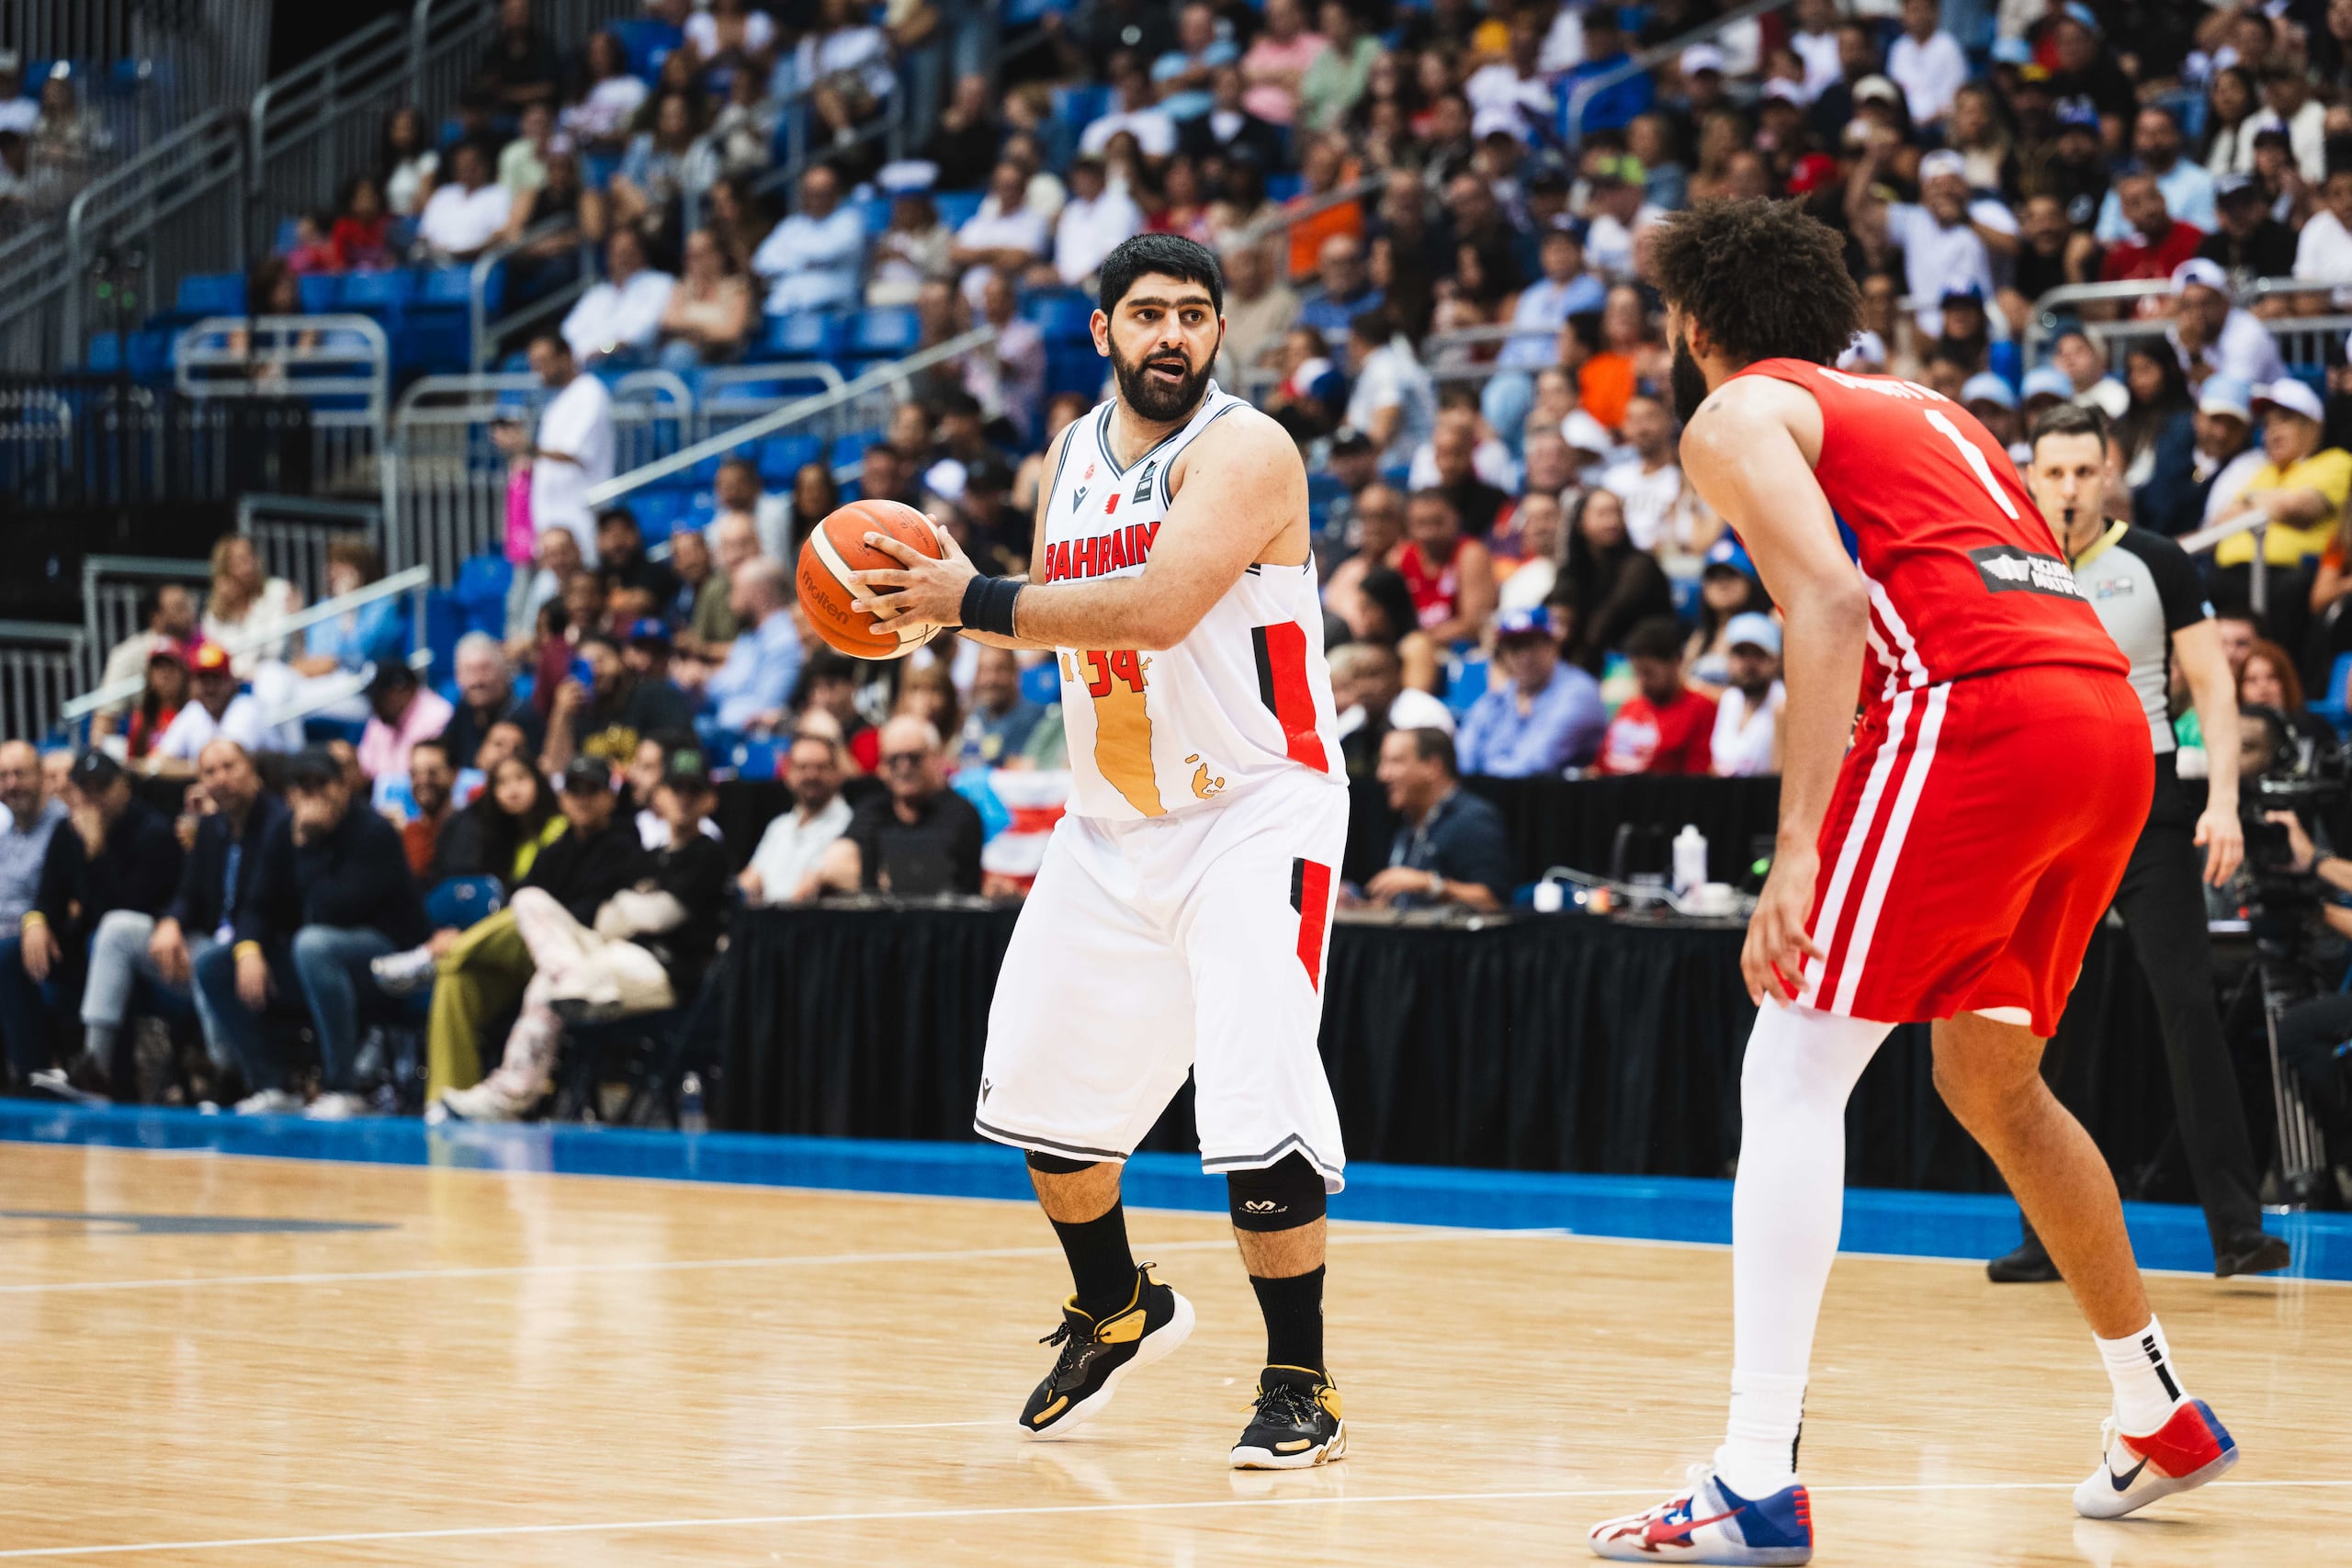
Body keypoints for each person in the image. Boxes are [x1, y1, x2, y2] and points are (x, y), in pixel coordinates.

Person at [1589, 201, 2240, 1565]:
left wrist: (1804, 844)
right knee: (1988, 1080)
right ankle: (2156, 1404)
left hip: (1979, 715)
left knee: (1791, 1066)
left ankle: (1753, 1477)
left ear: (1694, 327)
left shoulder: (1738, 409)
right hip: (2106, 727)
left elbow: (1825, 606)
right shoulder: (1924, 403)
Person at [850, 234, 1353, 1467]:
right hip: (1112, 818)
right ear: (1102, 332)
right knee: (1044, 1104)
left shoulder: (1248, 449)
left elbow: (1155, 604)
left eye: (1194, 314)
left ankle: (1303, 1380)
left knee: (1253, 1104)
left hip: (1254, 807)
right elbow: (1054, 627)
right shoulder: (1067, 454)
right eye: (1147, 313)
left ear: (1221, 333)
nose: (1172, 334)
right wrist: (922, 618)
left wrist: (962, 597)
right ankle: (1118, 1302)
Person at [1984, 403, 2285, 1283]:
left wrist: (2221, 799)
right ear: (2030, 474)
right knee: (2035, 1023)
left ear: (2109, 469)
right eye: (2054, 472)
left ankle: (2238, 1231)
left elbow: (2212, 689)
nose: (2070, 487)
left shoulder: (2155, 560)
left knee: (2186, 1003)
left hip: (2147, 802)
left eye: (2085, 471)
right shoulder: (2005, 567)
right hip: (2044, 811)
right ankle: (2048, 1236)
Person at [435, 750, 728, 1122]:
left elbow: (657, 916)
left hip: (666, 972)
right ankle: (512, 1091)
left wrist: (628, 910)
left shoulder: (708, 854)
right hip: (614, 957)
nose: (684, 799)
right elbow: (607, 921)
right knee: (530, 904)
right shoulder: (652, 855)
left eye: (695, 790)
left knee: (550, 981)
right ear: (660, 795)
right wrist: (628, 912)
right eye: (677, 788)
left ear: (711, 799)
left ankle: (512, 1094)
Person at [198, 747, 429, 1120]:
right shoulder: (280, 831)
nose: (313, 796)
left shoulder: (374, 831)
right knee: (214, 964)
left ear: (343, 787)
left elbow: (333, 909)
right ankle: (274, 1084)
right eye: (302, 788)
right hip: (318, 960)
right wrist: (249, 951)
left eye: (321, 785)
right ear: (289, 795)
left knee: (314, 945)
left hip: (388, 958)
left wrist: (307, 845)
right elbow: (257, 904)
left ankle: (342, 1087)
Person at [81, 740, 285, 1096]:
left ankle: (228, 1079)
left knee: (210, 961)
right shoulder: (210, 827)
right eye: (210, 771)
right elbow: (187, 895)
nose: (221, 779)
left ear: (252, 770)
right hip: (209, 942)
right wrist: (170, 922)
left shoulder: (278, 823)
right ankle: (95, 1067)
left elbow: (272, 903)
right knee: (116, 929)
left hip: (260, 949)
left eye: (229, 767)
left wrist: (246, 945)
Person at [1, 751, 181, 1087]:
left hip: (145, 955)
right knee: (10, 955)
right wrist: (36, 921)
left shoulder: (152, 831)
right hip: (85, 949)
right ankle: (32, 1076)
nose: (92, 796)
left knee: (103, 941)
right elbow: (48, 896)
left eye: (102, 787)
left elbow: (121, 909)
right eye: (85, 788)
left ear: (123, 787)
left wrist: (96, 852)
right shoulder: (66, 831)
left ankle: (108, 1076)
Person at [817, 716, 983, 896]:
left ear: (935, 758)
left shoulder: (961, 814)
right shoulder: (873, 809)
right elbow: (835, 864)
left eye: (914, 758)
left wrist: (882, 881)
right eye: (894, 760)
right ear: (881, 766)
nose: (904, 767)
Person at [494, 333, 614, 568]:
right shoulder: (558, 402)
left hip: (578, 521)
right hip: (549, 525)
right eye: (533, 364)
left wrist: (525, 446)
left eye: (543, 361)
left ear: (566, 356)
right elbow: (549, 456)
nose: (538, 370)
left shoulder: (589, 393)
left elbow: (575, 452)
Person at [1364, 726, 1510, 909]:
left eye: (1395, 762)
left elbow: (1493, 902)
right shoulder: (1409, 824)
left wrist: (1431, 885)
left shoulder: (1473, 820)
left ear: (1433, 767)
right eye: (1382, 763)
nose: (1382, 775)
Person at [1454, 607, 1605, 776]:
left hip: (1556, 797)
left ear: (1553, 646)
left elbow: (1534, 763)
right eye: (1514, 648)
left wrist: (1481, 771)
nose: (1524, 657)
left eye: (1532, 645)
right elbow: (1463, 755)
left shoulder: (1578, 693)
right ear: (1503, 654)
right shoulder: (1503, 694)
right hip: (1500, 794)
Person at [1556, 488, 1674, 675]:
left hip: (1638, 661)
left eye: (1617, 513)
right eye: (1602, 514)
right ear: (1580, 522)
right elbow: (1557, 607)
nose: (1612, 522)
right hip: (1592, 659)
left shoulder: (1641, 565)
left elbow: (1606, 620)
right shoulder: (1573, 569)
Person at [1594, 615, 1717, 777]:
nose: (1642, 681)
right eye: (1637, 673)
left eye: (1648, 672)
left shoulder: (1701, 708)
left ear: (1676, 662)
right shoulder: (1631, 706)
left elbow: (1697, 779)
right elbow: (1600, 765)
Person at [740, 732, 854, 906]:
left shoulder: (849, 826)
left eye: (820, 767)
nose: (811, 775)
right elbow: (750, 880)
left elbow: (806, 893)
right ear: (788, 773)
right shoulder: (779, 827)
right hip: (767, 923)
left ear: (837, 772)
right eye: (802, 767)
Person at [701, 558, 801, 734]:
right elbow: (726, 682)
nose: (730, 601)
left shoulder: (783, 640)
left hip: (748, 739)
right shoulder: (748, 636)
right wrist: (701, 682)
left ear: (760, 594)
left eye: (736, 591)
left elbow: (767, 708)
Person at [148, 643, 277, 777]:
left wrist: (170, 768)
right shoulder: (195, 710)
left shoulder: (246, 707)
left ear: (230, 681)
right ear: (192, 684)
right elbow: (158, 760)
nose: (209, 688)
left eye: (216, 679)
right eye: (203, 680)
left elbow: (223, 768)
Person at [1328, 641, 1452, 780]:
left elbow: (1439, 772)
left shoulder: (1420, 710)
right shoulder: (1353, 719)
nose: (1365, 687)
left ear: (1396, 675)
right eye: (1358, 677)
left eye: (1374, 675)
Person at [752, 164, 866, 314]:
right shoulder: (791, 225)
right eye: (810, 193)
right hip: (786, 311)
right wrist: (807, 261)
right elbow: (762, 261)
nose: (815, 199)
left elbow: (826, 251)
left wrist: (789, 254)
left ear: (835, 193)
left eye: (821, 193)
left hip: (833, 313)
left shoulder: (849, 221)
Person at [560, 229, 675, 368]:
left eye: (627, 252)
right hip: (584, 365)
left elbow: (642, 334)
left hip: (632, 364)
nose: (622, 259)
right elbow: (567, 333)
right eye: (616, 253)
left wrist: (604, 349)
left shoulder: (659, 284)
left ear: (641, 253)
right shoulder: (597, 294)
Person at [442, 632, 542, 772]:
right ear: (457, 678)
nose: (477, 681)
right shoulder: (462, 711)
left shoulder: (526, 715)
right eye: (469, 671)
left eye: (485, 670)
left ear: (504, 673)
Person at [0, 741, 66, 938]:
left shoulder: (64, 827)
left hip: (33, 935)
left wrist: (36, 920)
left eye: (19, 774)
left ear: (41, 776)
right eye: (3, 777)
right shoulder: (6, 834)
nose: (12, 785)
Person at [1710, 613, 1785, 779]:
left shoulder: (1784, 705)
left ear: (1776, 660)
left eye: (1758, 654)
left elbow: (1780, 780)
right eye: (1741, 653)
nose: (1748, 664)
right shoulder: (1729, 699)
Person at [356, 661, 455, 784]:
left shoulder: (437, 715)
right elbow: (364, 769)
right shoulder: (379, 720)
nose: (375, 705)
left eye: (381, 698)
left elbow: (422, 776)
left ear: (402, 690)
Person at [416, 140, 512, 262]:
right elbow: (424, 235)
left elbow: (501, 236)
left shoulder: (499, 194)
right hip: (435, 265)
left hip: (476, 264)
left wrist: (461, 255)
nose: (467, 170)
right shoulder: (443, 194)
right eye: (461, 166)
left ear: (485, 166)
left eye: (471, 165)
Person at [958, 646, 1046, 769]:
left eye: (1000, 669)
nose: (990, 679)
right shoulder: (975, 717)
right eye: (984, 670)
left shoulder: (1037, 718)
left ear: (1015, 673)